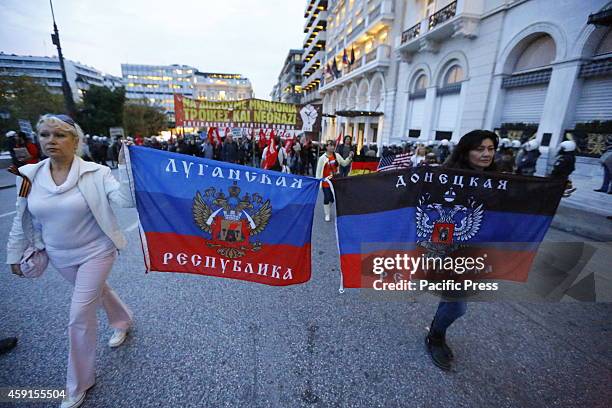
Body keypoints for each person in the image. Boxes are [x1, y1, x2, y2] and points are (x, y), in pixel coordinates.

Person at [6, 114, 134, 408]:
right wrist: (14, 253)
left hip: (97, 251)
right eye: (45, 135)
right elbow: (21, 217)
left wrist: (126, 166)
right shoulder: (26, 174)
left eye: (60, 135)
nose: (51, 140)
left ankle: (78, 384)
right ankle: (123, 320)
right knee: (98, 292)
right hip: (59, 255)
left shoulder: (96, 172)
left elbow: (126, 202)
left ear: (75, 141)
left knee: (79, 314)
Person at [425, 130, 499, 371]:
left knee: (454, 301)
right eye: (480, 149)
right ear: (466, 151)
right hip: (447, 252)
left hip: (478, 253)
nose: (486, 153)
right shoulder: (445, 177)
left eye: (490, 148)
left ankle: (437, 328)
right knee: (458, 305)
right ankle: (435, 336)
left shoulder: (500, 181)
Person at [316, 140, 353, 222]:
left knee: (332, 199)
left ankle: (327, 209)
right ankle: (327, 214)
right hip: (325, 181)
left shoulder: (337, 155)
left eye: (333, 145)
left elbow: (344, 163)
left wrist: (349, 157)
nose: (332, 147)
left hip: (335, 181)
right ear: (326, 147)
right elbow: (318, 172)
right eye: (330, 145)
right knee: (327, 197)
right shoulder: (322, 158)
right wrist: (318, 182)